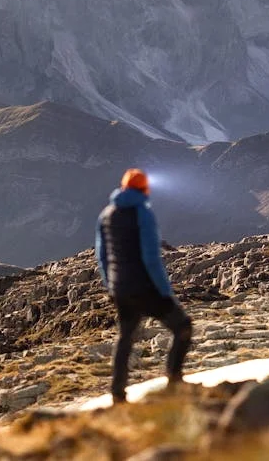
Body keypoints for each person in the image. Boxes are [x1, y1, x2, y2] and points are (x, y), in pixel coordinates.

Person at [95, 169, 193, 404]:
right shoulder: (143, 213)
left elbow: (102, 256)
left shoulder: (106, 214)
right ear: (144, 189)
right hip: (145, 288)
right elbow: (151, 258)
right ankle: (174, 378)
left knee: (126, 337)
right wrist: (165, 291)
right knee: (183, 327)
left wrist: (111, 285)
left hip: (120, 289)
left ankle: (117, 393)